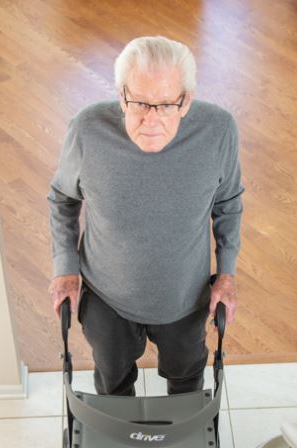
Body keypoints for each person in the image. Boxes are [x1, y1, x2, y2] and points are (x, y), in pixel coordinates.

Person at [47, 35, 244, 396]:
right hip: (106, 297)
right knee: (112, 382)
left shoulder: (218, 132)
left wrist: (226, 275)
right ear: (121, 95)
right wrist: (65, 268)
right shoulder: (87, 130)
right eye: (138, 102)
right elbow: (62, 198)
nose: (151, 120)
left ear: (187, 101)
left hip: (186, 296)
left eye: (167, 104)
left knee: (187, 379)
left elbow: (228, 203)